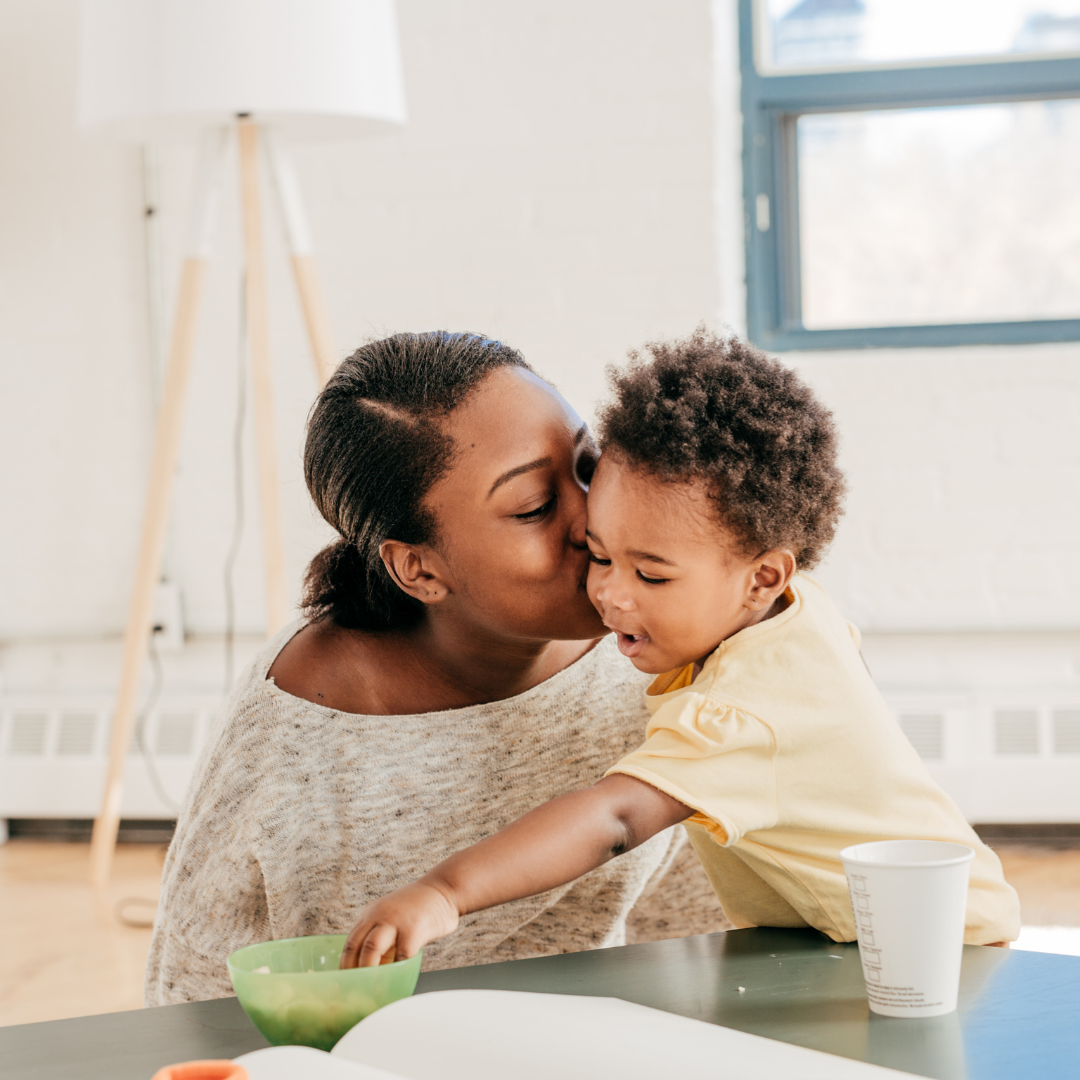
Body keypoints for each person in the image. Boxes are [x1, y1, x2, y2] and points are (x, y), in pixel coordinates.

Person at [340, 329, 1021, 969]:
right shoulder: (789, 609)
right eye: (602, 555)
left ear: (762, 576)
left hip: (932, 951)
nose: (609, 594)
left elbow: (613, 817)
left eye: (652, 574)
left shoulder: (739, 715)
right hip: (882, 933)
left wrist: (445, 891)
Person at [144, 331, 727, 1006]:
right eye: (535, 507)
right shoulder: (295, 741)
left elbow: (701, 922)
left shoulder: (662, 639)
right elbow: (194, 1005)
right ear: (418, 568)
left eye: (589, 465)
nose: (594, 522)